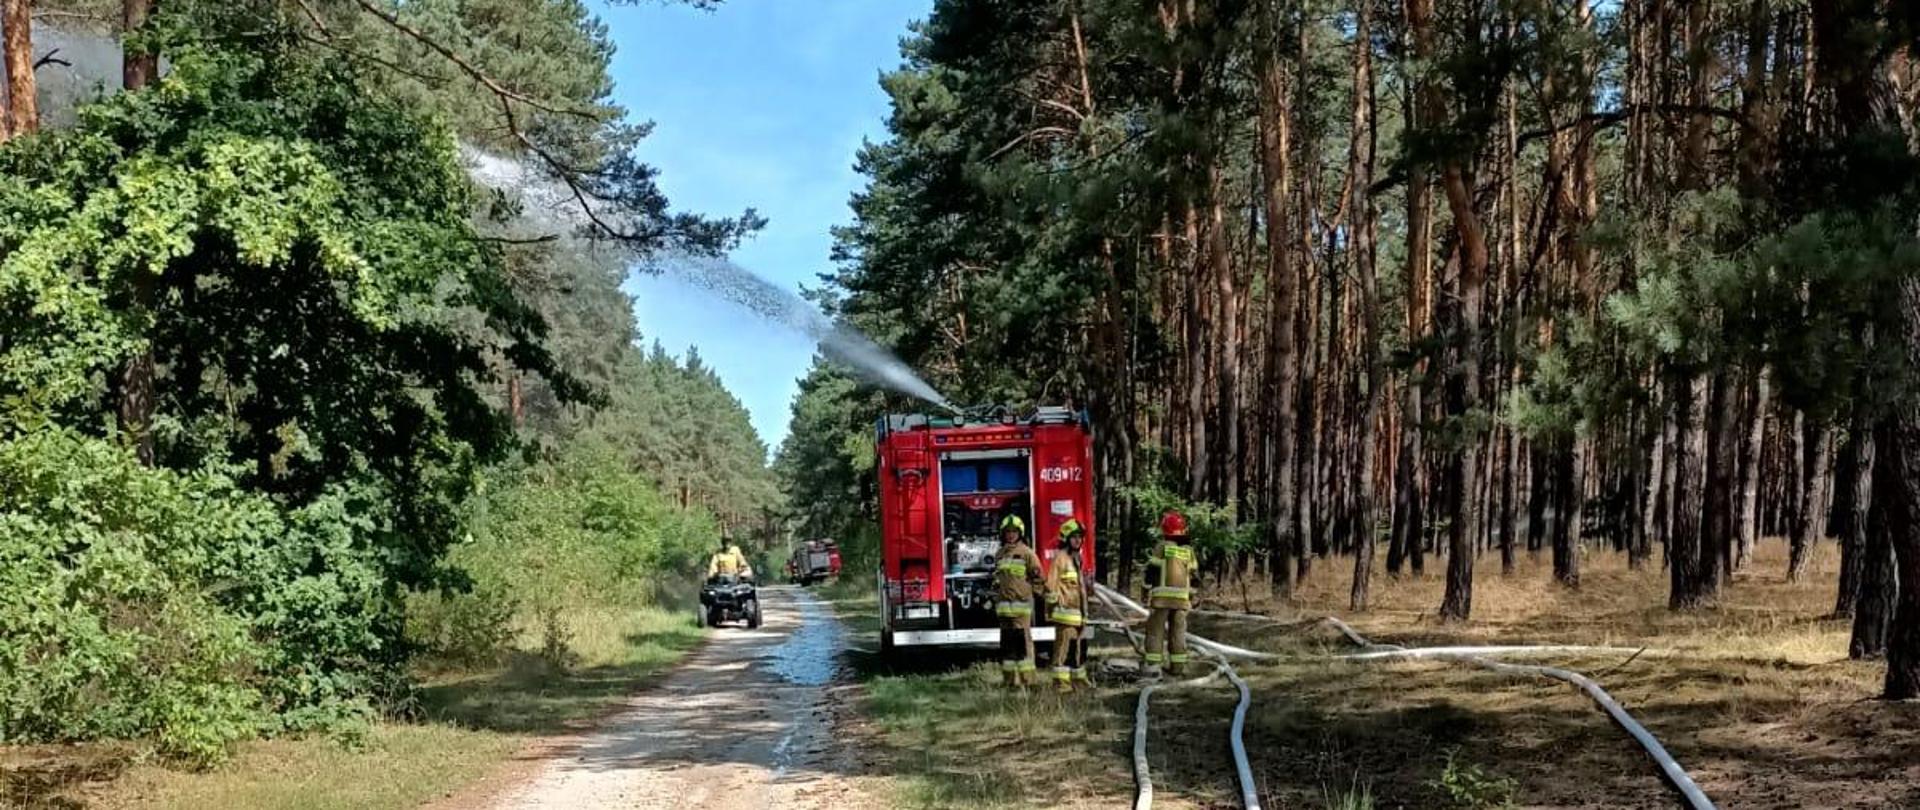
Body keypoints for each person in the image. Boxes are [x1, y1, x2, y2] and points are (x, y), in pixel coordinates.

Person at [993, 514, 1046, 687]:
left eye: (1014, 532)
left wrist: (1030, 594)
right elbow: (997, 577)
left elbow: (1038, 577)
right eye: (1008, 532)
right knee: (1007, 646)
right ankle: (1009, 681)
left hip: (1021, 609)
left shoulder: (1027, 553)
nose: (1010, 535)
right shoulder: (999, 554)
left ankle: (1028, 681)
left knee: (1023, 644)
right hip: (1003, 610)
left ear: (1020, 533)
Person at [1142, 510, 1194, 676]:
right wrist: (1192, 596)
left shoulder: (1162, 547)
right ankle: (1177, 668)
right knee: (1178, 633)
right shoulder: (1188, 551)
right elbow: (1194, 575)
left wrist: (1145, 590)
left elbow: (1152, 571)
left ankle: (1153, 667)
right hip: (1182, 600)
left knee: (1155, 632)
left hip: (1162, 600)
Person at [1045, 518, 1092, 692]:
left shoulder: (1077, 559)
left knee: (1077, 650)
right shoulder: (1060, 558)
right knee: (1063, 650)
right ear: (1066, 539)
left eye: (1080, 537)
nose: (1078, 540)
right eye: (1074, 537)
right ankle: (1061, 684)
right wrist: (1053, 609)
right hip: (1064, 614)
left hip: (1078, 615)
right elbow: (1051, 585)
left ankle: (1078, 681)